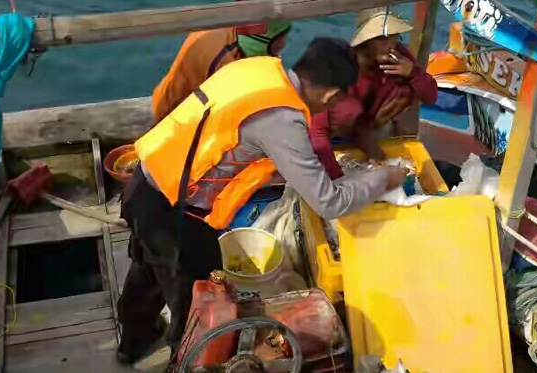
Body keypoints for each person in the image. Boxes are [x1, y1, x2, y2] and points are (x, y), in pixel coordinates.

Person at [116, 37, 408, 366]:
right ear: (331, 95)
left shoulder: (257, 70)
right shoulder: (283, 119)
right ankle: (186, 362)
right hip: (174, 214)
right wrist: (383, 177)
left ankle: (131, 343)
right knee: (201, 306)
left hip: (145, 179)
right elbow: (329, 202)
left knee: (147, 268)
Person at [310, 8, 438, 180]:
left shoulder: (398, 56)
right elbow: (317, 132)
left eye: (395, 36)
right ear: (365, 42)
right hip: (327, 138)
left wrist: (413, 73)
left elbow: (430, 97)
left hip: (370, 128)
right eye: (382, 38)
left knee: (406, 91)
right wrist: (338, 178)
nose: (392, 44)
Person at [151, 21, 292, 123]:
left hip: (172, 107)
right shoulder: (230, 66)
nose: (285, 42)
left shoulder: (227, 26)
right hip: (175, 124)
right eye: (284, 35)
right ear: (274, 39)